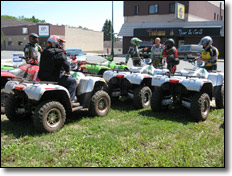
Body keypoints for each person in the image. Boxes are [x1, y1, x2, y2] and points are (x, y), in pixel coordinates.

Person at [38, 35, 77, 103]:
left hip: (43, 78)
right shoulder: (59, 52)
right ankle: (71, 101)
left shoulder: (44, 52)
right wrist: (67, 71)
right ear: (56, 42)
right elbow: (66, 65)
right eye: (61, 42)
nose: (62, 44)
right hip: (55, 78)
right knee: (72, 81)